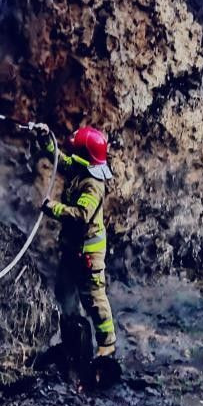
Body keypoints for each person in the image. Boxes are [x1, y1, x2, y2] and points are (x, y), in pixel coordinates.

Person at [39, 125, 117, 359]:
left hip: (88, 252)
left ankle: (107, 345)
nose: (72, 154)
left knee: (93, 297)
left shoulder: (93, 185)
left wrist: (53, 208)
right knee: (64, 291)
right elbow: (61, 161)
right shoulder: (81, 169)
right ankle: (74, 337)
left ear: (86, 157)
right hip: (72, 248)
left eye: (77, 151)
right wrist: (46, 141)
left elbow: (82, 215)